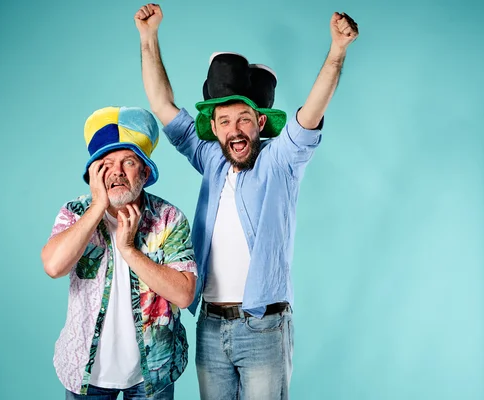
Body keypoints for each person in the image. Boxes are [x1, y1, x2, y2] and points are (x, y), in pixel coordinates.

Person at [134, 3, 359, 399]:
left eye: (243, 119)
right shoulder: (212, 160)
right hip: (210, 325)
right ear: (214, 128)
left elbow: (310, 113)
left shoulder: (279, 162)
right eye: (224, 121)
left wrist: (337, 49)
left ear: (259, 122)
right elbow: (163, 106)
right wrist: (148, 38)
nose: (234, 130)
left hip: (264, 327)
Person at [41, 106, 197, 399]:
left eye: (128, 162)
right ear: (93, 172)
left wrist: (128, 249)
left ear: (146, 172)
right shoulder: (75, 213)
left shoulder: (168, 218)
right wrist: (97, 206)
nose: (117, 172)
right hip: (86, 373)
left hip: (153, 372)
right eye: (106, 163)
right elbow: (53, 266)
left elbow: (184, 294)